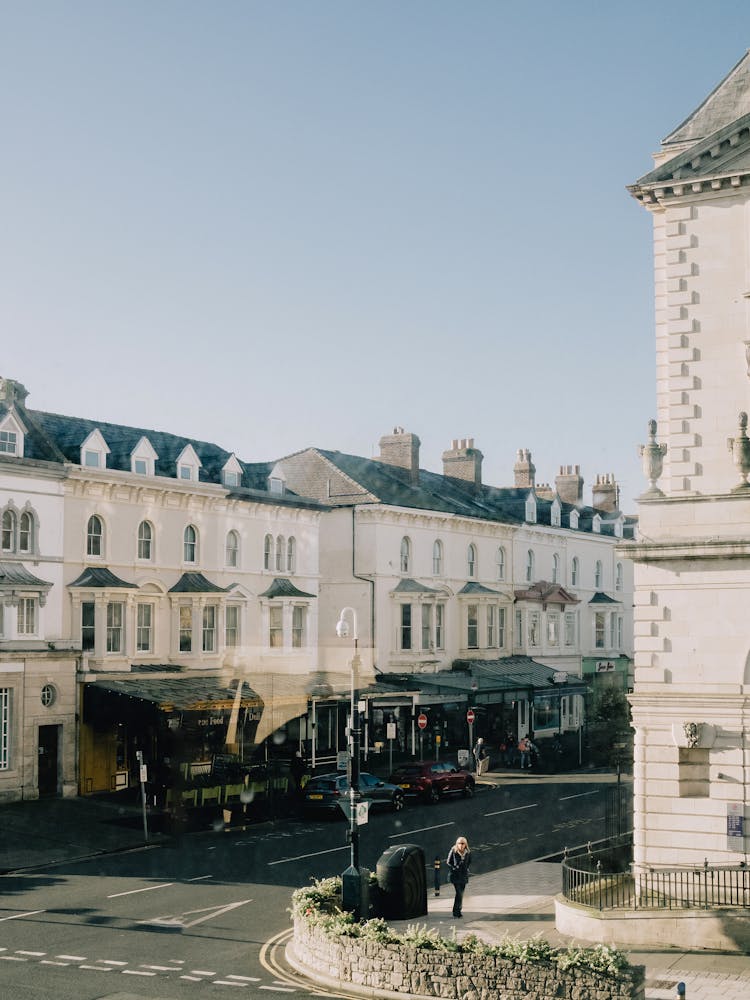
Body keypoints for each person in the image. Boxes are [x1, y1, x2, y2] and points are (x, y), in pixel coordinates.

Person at [446, 835, 471, 918]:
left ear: (465, 844)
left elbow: (469, 861)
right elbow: (448, 862)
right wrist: (454, 868)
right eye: (459, 843)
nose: (461, 845)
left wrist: (466, 868)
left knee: (461, 894)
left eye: (463, 843)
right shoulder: (453, 850)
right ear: (457, 844)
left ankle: (457, 911)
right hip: (455, 876)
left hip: (463, 876)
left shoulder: (467, 852)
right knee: (459, 893)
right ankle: (456, 912)